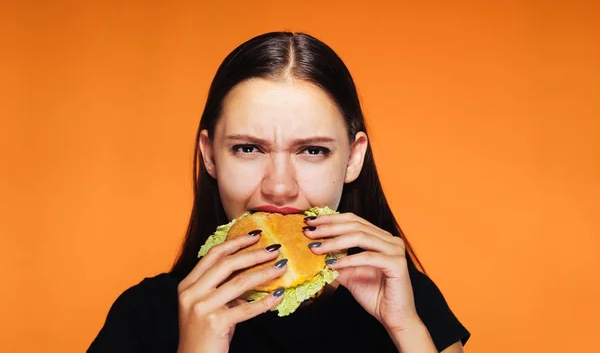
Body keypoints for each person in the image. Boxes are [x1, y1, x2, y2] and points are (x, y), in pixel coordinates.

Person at [88, 31, 471, 353]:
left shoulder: (407, 299)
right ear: (210, 156)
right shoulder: (141, 317)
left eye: (312, 151)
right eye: (248, 149)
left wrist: (407, 330)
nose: (280, 187)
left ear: (353, 159)